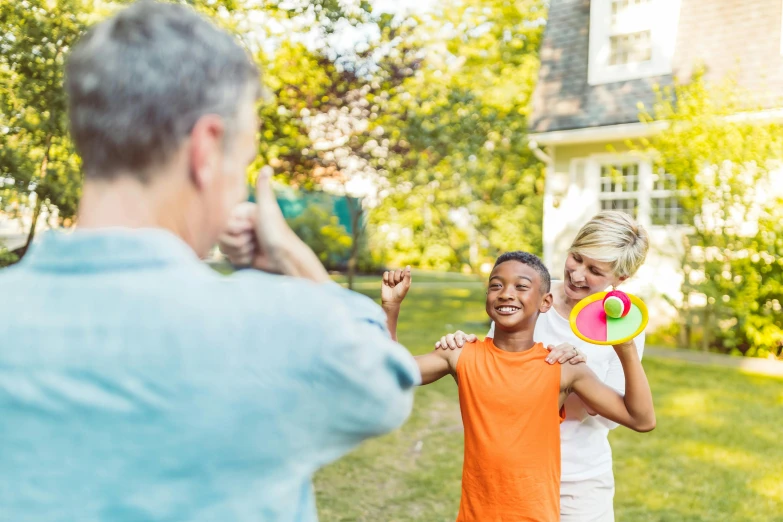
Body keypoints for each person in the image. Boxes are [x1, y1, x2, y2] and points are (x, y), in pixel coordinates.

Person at [0, 2, 419, 521]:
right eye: (242, 161)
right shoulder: (282, 329)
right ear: (206, 150)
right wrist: (292, 257)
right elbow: (387, 379)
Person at [382, 252, 655, 522]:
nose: (506, 293)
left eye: (521, 286)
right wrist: (390, 309)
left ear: (545, 301)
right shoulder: (461, 354)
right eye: (496, 285)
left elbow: (641, 419)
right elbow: (387, 375)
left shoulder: (561, 366)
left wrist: (626, 347)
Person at [435, 210, 650, 522]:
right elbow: (495, 375)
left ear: (620, 279)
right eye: (576, 258)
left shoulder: (624, 327)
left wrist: (576, 373)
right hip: (515, 479)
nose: (577, 274)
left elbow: (618, 416)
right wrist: (463, 349)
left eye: (594, 270)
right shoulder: (530, 293)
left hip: (580, 483)